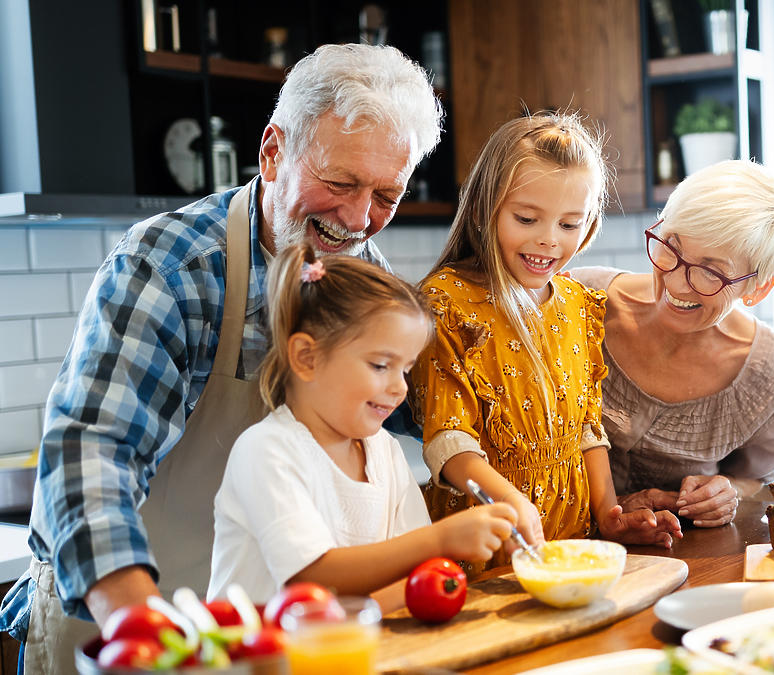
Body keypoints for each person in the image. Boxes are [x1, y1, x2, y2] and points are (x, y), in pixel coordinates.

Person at [0, 43, 442, 673]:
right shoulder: (172, 266)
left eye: (385, 195)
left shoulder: (362, 276)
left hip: (258, 641)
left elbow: (422, 410)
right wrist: (140, 630)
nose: (358, 218)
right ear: (272, 151)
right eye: (340, 182)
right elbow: (91, 454)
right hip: (128, 624)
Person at [409, 111, 681, 575]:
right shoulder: (446, 301)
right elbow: (448, 441)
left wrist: (608, 516)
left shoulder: (579, 304)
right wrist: (513, 504)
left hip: (572, 545)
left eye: (570, 224)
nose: (548, 240)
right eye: (527, 218)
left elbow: (585, 429)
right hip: (484, 552)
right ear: (483, 207)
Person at [207, 245, 515, 602]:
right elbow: (310, 581)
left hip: (350, 648)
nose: (400, 387)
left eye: (405, 369)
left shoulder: (384, 451)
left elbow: (408, 577)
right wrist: (441, 539)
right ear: (307, 357)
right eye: (380, 365)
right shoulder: (266, 451)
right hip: (260, 655)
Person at [570, 159, 774, 528]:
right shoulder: (577, 302)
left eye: (711, 271)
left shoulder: (773, 373)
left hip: (687, 569)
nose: (678, 284)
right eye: (671, 246)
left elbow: (758, 479)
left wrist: (727, 491)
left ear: (758, 288)